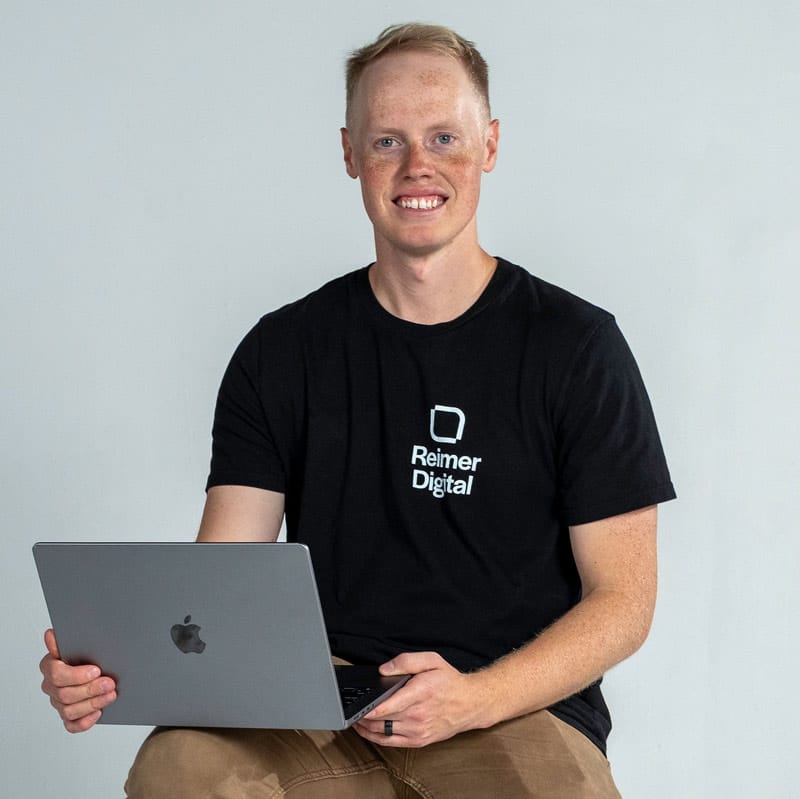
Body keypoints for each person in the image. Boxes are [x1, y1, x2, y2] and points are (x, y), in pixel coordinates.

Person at [39, 22, 675, 798]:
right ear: (349, 153)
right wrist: (114, 672)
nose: (418, 167)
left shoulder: (577, 347)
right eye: (387, 142)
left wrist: (475, 698)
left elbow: (624, 603)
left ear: (491, 144)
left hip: (509, 704)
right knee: (178, 770)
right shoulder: (283, 350)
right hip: (313, 701)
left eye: (445, 137)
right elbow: (215, 584)